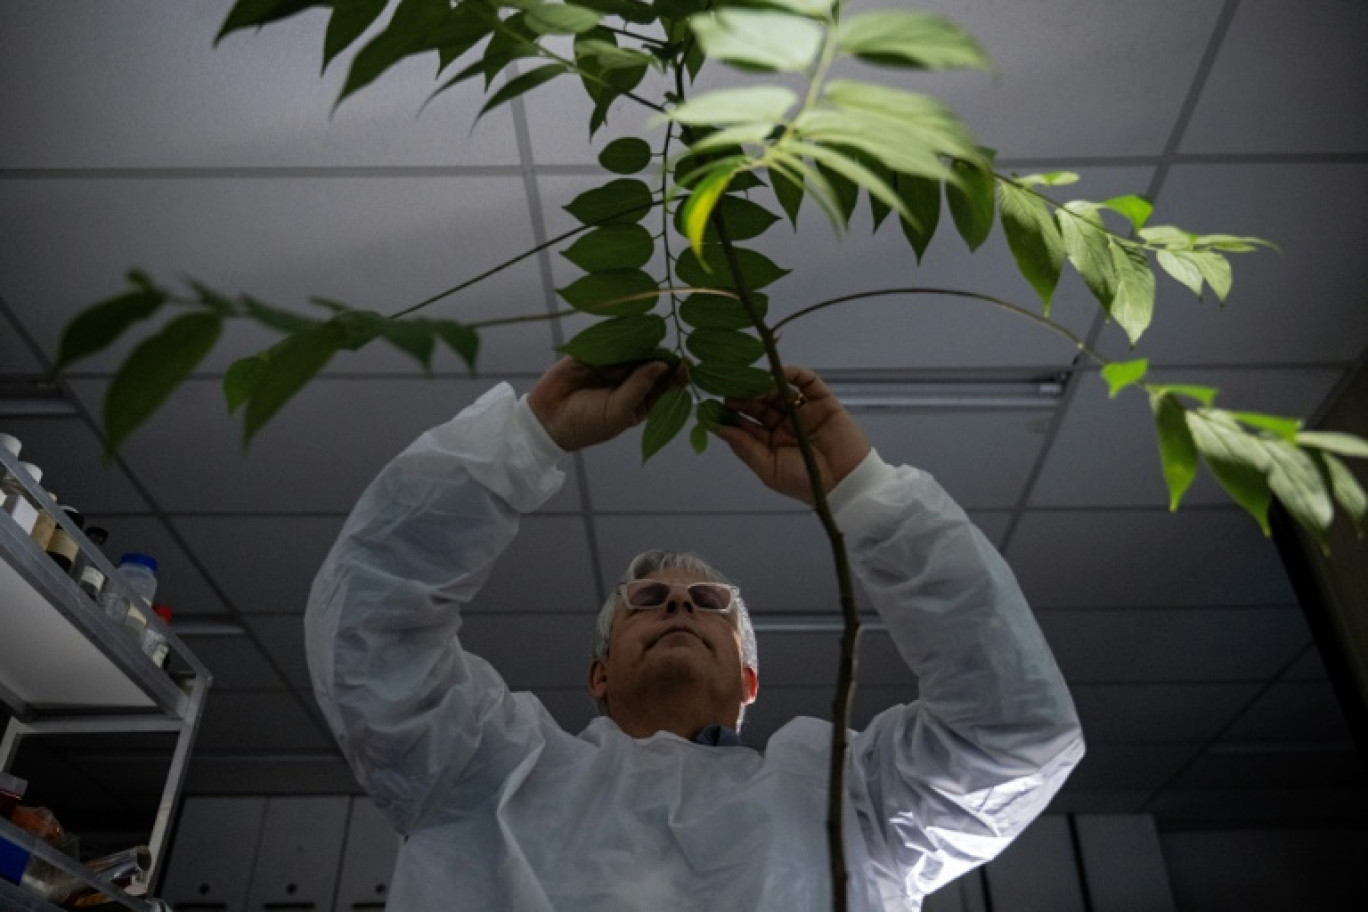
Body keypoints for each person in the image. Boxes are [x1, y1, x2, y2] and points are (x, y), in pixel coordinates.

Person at [306, 357, 1085, 911]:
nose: (679, 606)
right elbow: (370, 628)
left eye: (708, 601)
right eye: (648, 598)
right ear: (598, 673)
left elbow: (1014, 735)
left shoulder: (853, 804)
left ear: (750, 678)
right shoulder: (485, 772)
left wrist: (865, 491)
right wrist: (524, 438)